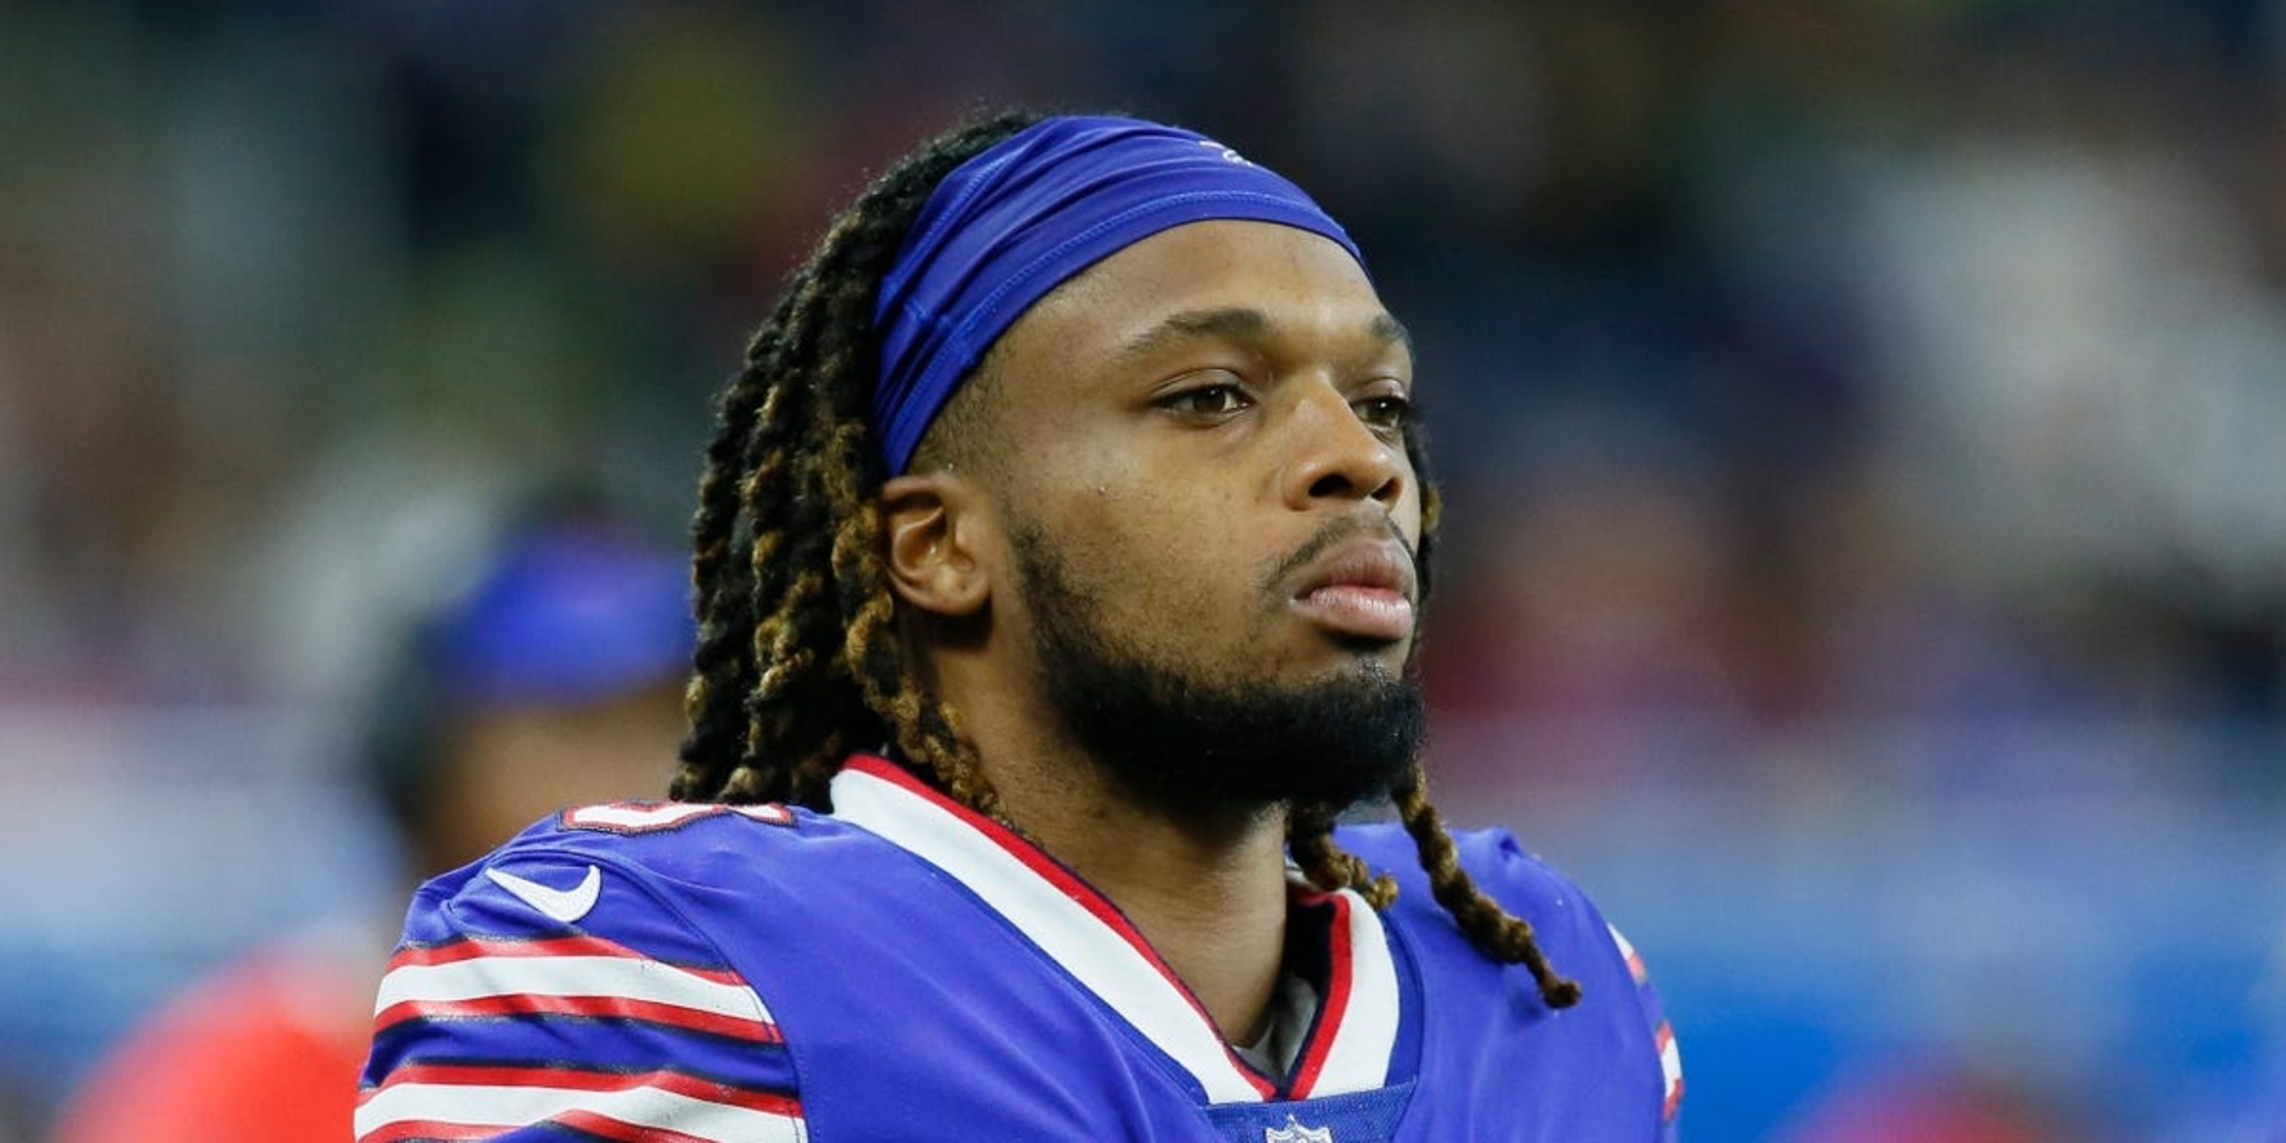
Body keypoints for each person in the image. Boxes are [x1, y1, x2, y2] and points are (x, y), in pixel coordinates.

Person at [358, 113, 1684, 1141]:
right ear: (938, 546)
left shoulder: (1549, 982)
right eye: (1212, 395)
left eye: (1382, 401)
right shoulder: (670, 972)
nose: (1359, 460)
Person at [51, 507, 692, 1143]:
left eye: (671, 724)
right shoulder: (230, 1094)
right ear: (428, 761)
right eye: (579, 727)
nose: (646, 775)